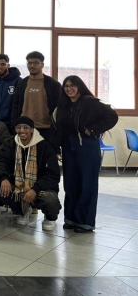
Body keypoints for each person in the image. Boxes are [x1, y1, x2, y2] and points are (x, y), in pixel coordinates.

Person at [54, 75, 118, 233]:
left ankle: (84, 222)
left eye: (72, 85)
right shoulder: (63, 106)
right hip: (68, 147)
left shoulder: (90, 102)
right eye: (66, 86)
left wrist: (93, 130)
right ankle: (71, 219)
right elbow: (59, 129)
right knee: (70, 183)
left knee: (86, 184)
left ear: (79, 86)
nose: (69, 89)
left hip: (87, 147)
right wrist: (57, 148)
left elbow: (112, 116)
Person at [0, 116, 61, 230]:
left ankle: (49, 218)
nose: (22, 131)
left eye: (26, 127)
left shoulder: (44, 146)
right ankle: (23, 211)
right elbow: (0, 162)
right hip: (19, 187)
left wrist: (35, 189)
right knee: (3, 192)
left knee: (50, 200)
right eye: (18, 127)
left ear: (32, 130)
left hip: (41, 188)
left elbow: (53, 174)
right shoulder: (11, 144)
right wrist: (4, 178)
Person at [11, 51, 62, 145]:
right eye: (29, 63)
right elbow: (15, 106)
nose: (32, 66)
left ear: (42, 64)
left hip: (46, 130)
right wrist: (15, 125)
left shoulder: (53, 84)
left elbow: (59, 107)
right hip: (25, 129)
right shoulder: (22, 84)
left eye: (36, 63)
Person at [0, 53, 22, 134]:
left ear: (8, 65)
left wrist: (15, 121)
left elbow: (20, 103)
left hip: (12, 123)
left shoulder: (18, 81)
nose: (0, 67)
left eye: (3, 64)